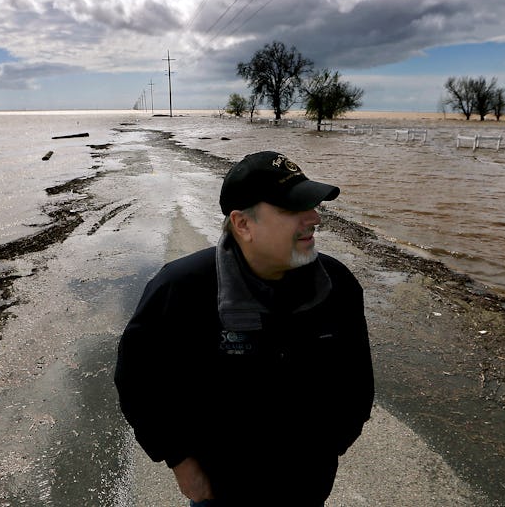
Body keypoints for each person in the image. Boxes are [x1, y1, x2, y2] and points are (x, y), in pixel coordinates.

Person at [114, 151, 374, 506]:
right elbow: (138, 382)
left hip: (308, 486)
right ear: (243, 224)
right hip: (222, 490)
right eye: (293, 208)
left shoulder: (337, 284)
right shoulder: (181, 288)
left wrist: (330, 448)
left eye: (312, 205)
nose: (314, 218)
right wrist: (179, 461)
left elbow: (357, 381)